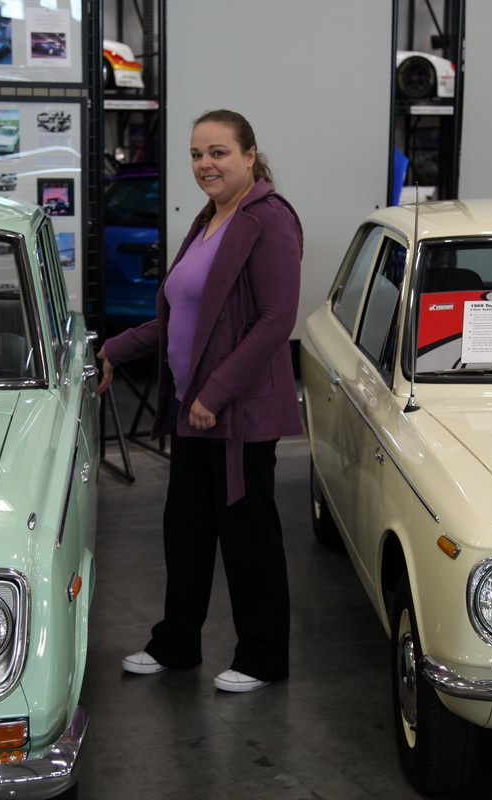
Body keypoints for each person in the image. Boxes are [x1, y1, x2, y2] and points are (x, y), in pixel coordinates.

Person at [96, 109, 303, 693]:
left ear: (249, 155)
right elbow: (181, 315)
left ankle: (262, 657)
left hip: (236, 413)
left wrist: (216, 392)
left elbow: (275, 320)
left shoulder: (269, 220)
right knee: (185, 532)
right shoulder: (210, 219)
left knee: (248, 538)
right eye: (196, 154)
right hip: (191, 408)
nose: (205, 165)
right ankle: (176, 644)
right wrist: (115, 348)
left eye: (218, 152)